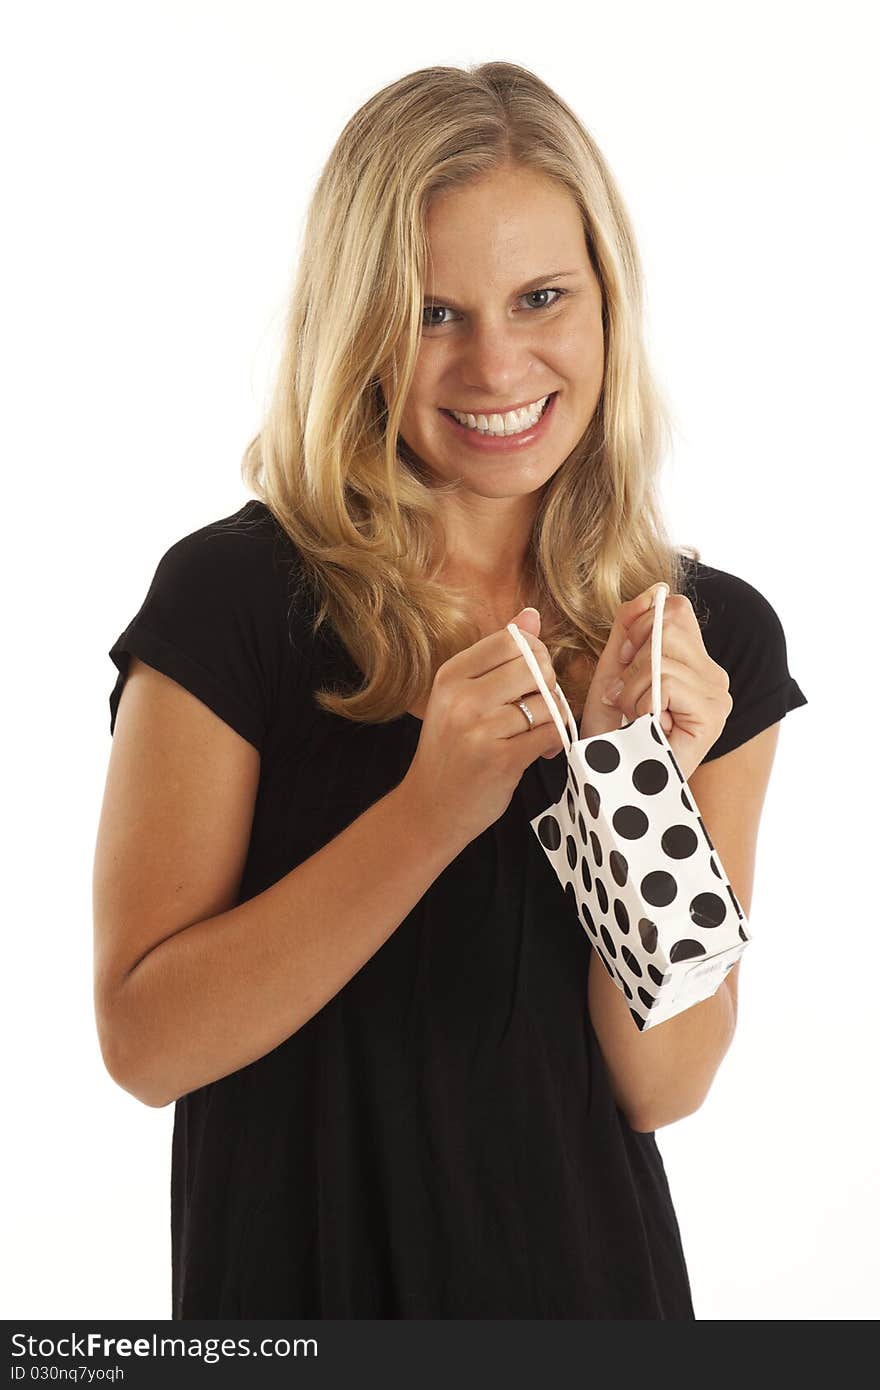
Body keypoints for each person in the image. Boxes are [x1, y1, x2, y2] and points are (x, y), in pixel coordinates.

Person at [93, 61, 808, 1319]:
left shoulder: (710, 640)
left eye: (541, 297)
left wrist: (643, 782)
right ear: (359, 322)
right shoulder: (234, 601)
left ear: (606, 305)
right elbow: (146, 1044)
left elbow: (664, 1086)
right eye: (433, 313)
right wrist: (433, 807)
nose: (495, 364)